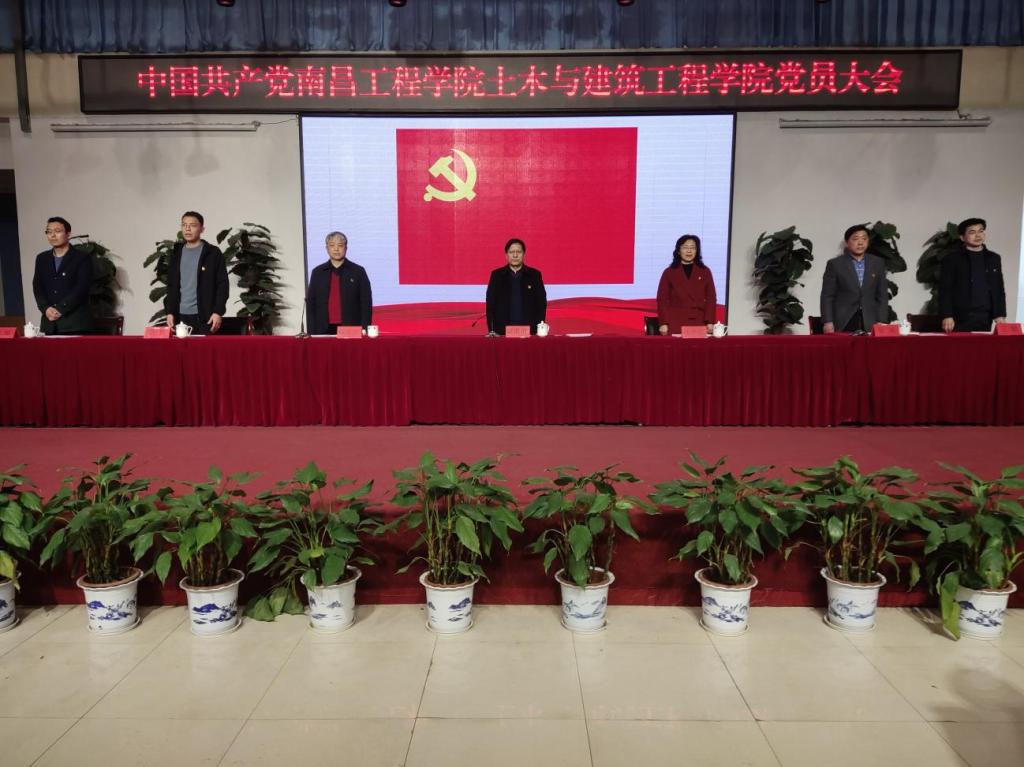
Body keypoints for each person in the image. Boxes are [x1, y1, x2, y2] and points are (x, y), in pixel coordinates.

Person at [165, 211, 229, 335]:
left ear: (202, 229)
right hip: (180, 317)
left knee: (204, 348)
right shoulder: (176, 254)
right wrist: (170, 312)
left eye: (192, 225)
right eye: (184, 225)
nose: (187, 229)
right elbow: (171, 286)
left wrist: (218, 311)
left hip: (206, 317)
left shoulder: (212, 253)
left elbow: (223, 284)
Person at [938, 218, 1007, 333]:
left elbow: (998, 288)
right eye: (972, 232)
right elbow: (945, 289)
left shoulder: (994, 258)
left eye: (981, 231)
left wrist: (1000, 314)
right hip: (959, 316)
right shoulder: (952, 259)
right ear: (962, 237)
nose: (978, 235)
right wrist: (947, 315)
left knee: (983, 345)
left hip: (985, 316)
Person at [820, 224, 888, 334]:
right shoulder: (835, 264)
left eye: (864, 239)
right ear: (847, 242)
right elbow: (827, 296)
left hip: (870, 319)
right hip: (843, 319)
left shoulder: (878, 263)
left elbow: (882, 295)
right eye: (855, 239)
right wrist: (828, 321)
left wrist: (882, 320)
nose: (860, 243)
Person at [31, 216, 94, 335]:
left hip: (75, 323)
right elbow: (37, 286)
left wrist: (60, 309)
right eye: (49, 232)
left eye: (57, 231)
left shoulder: (82, 258)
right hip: (50, 323)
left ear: (68, 234)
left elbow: (82, 287)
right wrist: (45, 308)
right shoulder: (41, 258)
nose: (53, 235)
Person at [307, 231, 373, 334]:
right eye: (332, 245)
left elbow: (366, 303)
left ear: (346, 248)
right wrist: (311, 331)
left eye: (340, 245)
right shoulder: (318, 272)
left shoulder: (358, 271)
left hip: (351, 328)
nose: (336, 249)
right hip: (322, 328)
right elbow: (311, 304)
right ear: (327, 248)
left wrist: (365, 329)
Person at [656, 234, 716, 335]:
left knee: (697, 345)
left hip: (699, 320)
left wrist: (710, 321)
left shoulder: (705, 271)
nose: (689, 251)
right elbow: (662, 299)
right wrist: (663, 322)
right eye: (685, 247)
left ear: (697, 251)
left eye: (693, 247)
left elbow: (711, 298)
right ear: (678, 251)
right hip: (676, 321)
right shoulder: (669, 272)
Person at [485, 238, 547, 335]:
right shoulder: (497, 276)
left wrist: (538, 329)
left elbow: (541, 304)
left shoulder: (534, 275)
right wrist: (492, 330)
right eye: (511, 252)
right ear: (506, 255)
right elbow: (490, 305)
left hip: (529, 332)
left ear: (524, 254)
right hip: (502, 332)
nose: (515, 255)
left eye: (518, 252)